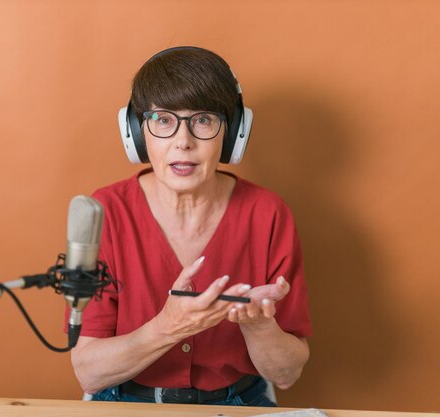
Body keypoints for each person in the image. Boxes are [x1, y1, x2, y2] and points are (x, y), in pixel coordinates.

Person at [69, 46, 312, 407]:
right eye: (163, 120)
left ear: (232, 134)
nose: (183, 141)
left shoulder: (268, 213)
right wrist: (167, 327)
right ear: (136, 132)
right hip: (126, 403)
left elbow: (287, 374)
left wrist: (259, 326)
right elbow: (89, 372)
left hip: (238, 405)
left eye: (203, 120)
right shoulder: (107, 210)